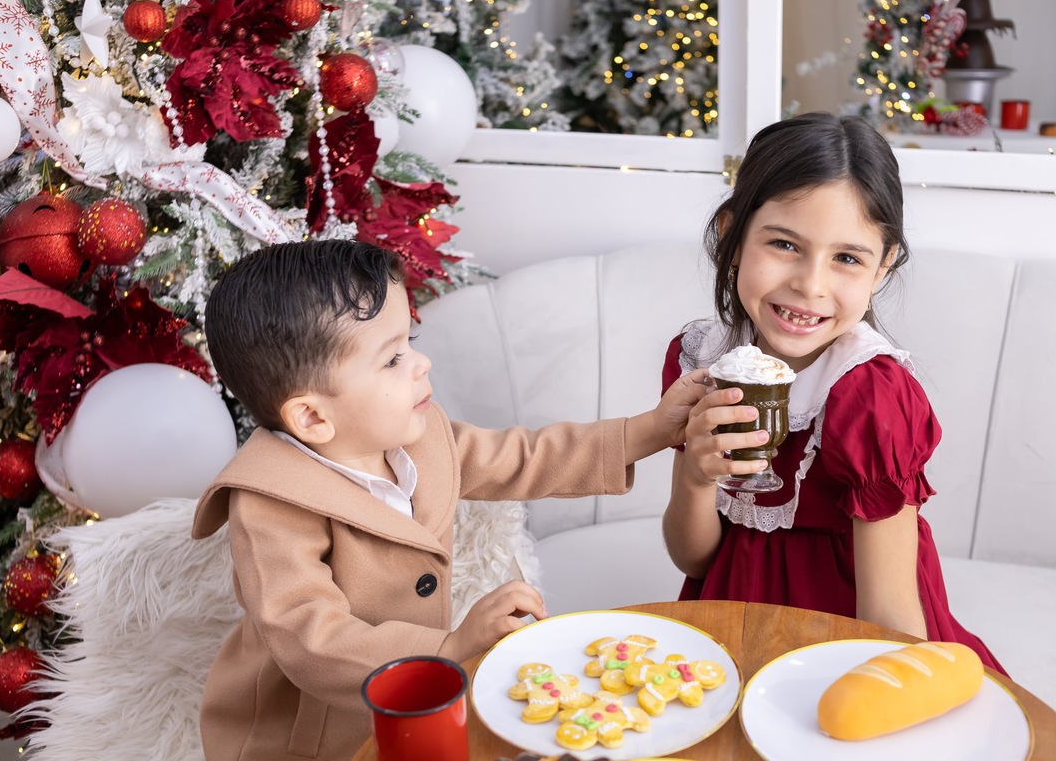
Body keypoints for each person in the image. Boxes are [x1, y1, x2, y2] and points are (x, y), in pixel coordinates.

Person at [191, 239, 709, 761]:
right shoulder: (269, 505)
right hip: (307, 734)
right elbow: (310, 640)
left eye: (409, 340)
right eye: (393, 359)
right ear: (312, 418)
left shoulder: (419, 437)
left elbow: (525, 458)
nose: (421, 362)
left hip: (419, 704)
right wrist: (449, 648)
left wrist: (647, 430)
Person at [661, 112, 1005, 673]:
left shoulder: (871, 394)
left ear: (883, 264)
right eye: (784, 244)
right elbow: (694, 559)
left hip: (849, 640)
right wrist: (698, 479)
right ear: (732, 233)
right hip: (728, 613)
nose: (810, 284)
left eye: (846, 258)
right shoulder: (702, 361)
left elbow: (890, 616)